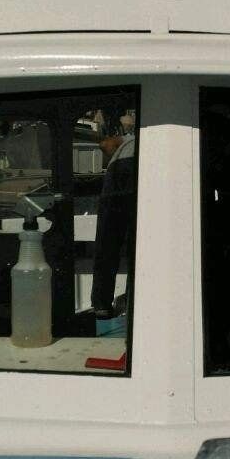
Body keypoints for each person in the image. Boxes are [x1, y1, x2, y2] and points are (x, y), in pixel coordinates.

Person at [91, 123, 136, 320]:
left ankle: (101, 304)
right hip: (136, 176)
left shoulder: (126, 140)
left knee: (107, 244)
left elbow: (105, 145)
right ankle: (133, 300)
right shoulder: (136, 138)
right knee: (138, 246)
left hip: (117, 179)